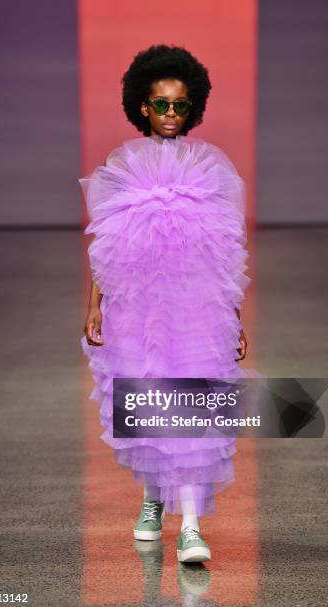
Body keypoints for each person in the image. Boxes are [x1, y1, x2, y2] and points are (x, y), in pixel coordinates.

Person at [80, 44, 251, 564]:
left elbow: (224, 251)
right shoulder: (121, 165)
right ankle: (153, 502)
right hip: (138, 307)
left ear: (193, 105)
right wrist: (95, 307)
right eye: (161, 104)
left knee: (193, 404)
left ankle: (192, 527)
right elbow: (107, 247)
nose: (171, 115)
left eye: (180, 105)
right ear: (142, 106)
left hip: (196, 307)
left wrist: (234, 318)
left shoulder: (212, 167)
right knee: (151, 400)